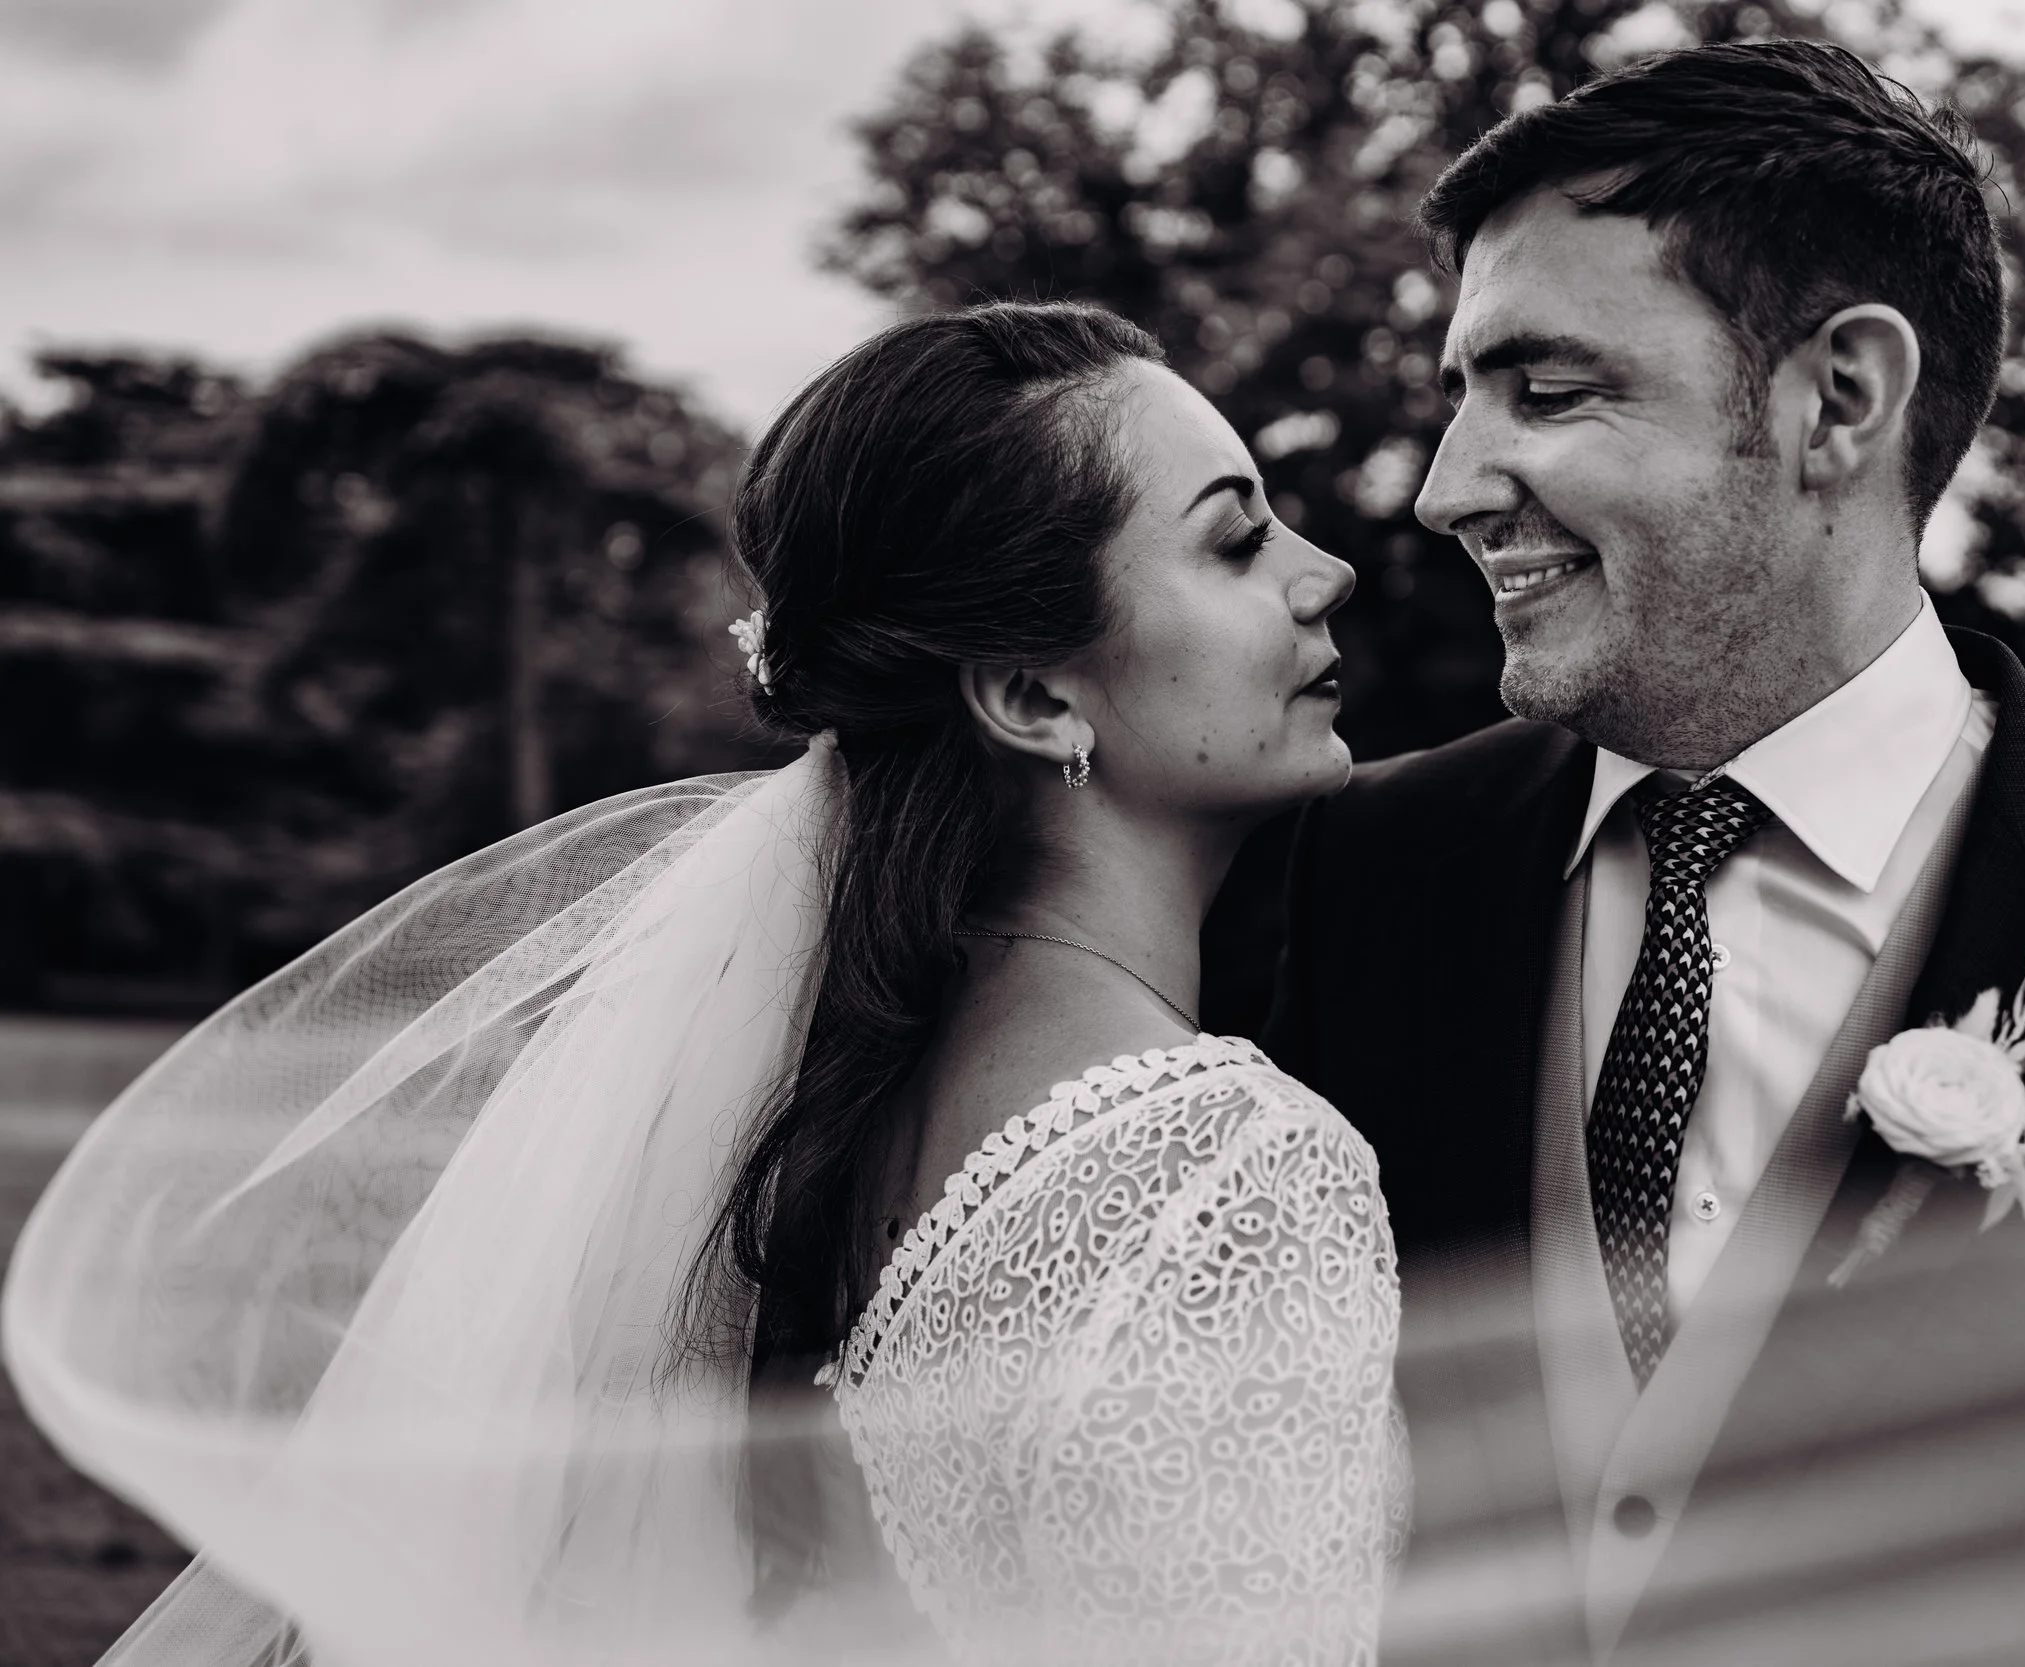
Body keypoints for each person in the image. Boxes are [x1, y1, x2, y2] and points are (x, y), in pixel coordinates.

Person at [1215, 40, 2025, 1667]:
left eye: (1547, 390)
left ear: (1839, 400)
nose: (1449, 489)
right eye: (1457, 394)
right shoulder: (1374, 869)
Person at [3, 302, 1404, 1667]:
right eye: (1236, 539)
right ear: (1033, 699)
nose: (1323, 568)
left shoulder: (828, 1095)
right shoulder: (1227, 1170)